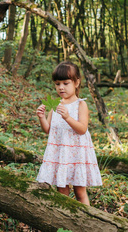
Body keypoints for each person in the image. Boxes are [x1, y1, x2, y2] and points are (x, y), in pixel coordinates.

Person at [36, 61, 102, 205]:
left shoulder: (81, 104)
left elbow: (82, 129)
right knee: (62, 191)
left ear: (76, 82)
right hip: (60, 153)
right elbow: (48, 130)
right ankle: (65, 220)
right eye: (57, 83)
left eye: (66, 83)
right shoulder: (55, 105)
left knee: (80, 191)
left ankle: (87, 219)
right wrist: (41, 117)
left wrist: (67, 117)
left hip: (76, 154)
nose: (61, 87)